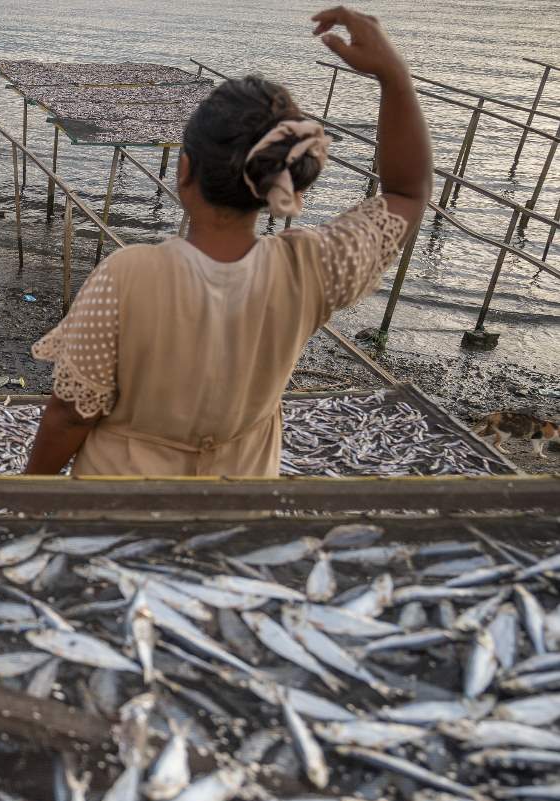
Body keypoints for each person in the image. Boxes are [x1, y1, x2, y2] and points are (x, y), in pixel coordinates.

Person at [24, 7, 431, 477]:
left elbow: (72, 413)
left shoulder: (126, 273)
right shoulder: (312, 268)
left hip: (120, 506)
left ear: (184, 172)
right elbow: (407, 192)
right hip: (241, 500)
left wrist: (29, 492)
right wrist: (394, 77)